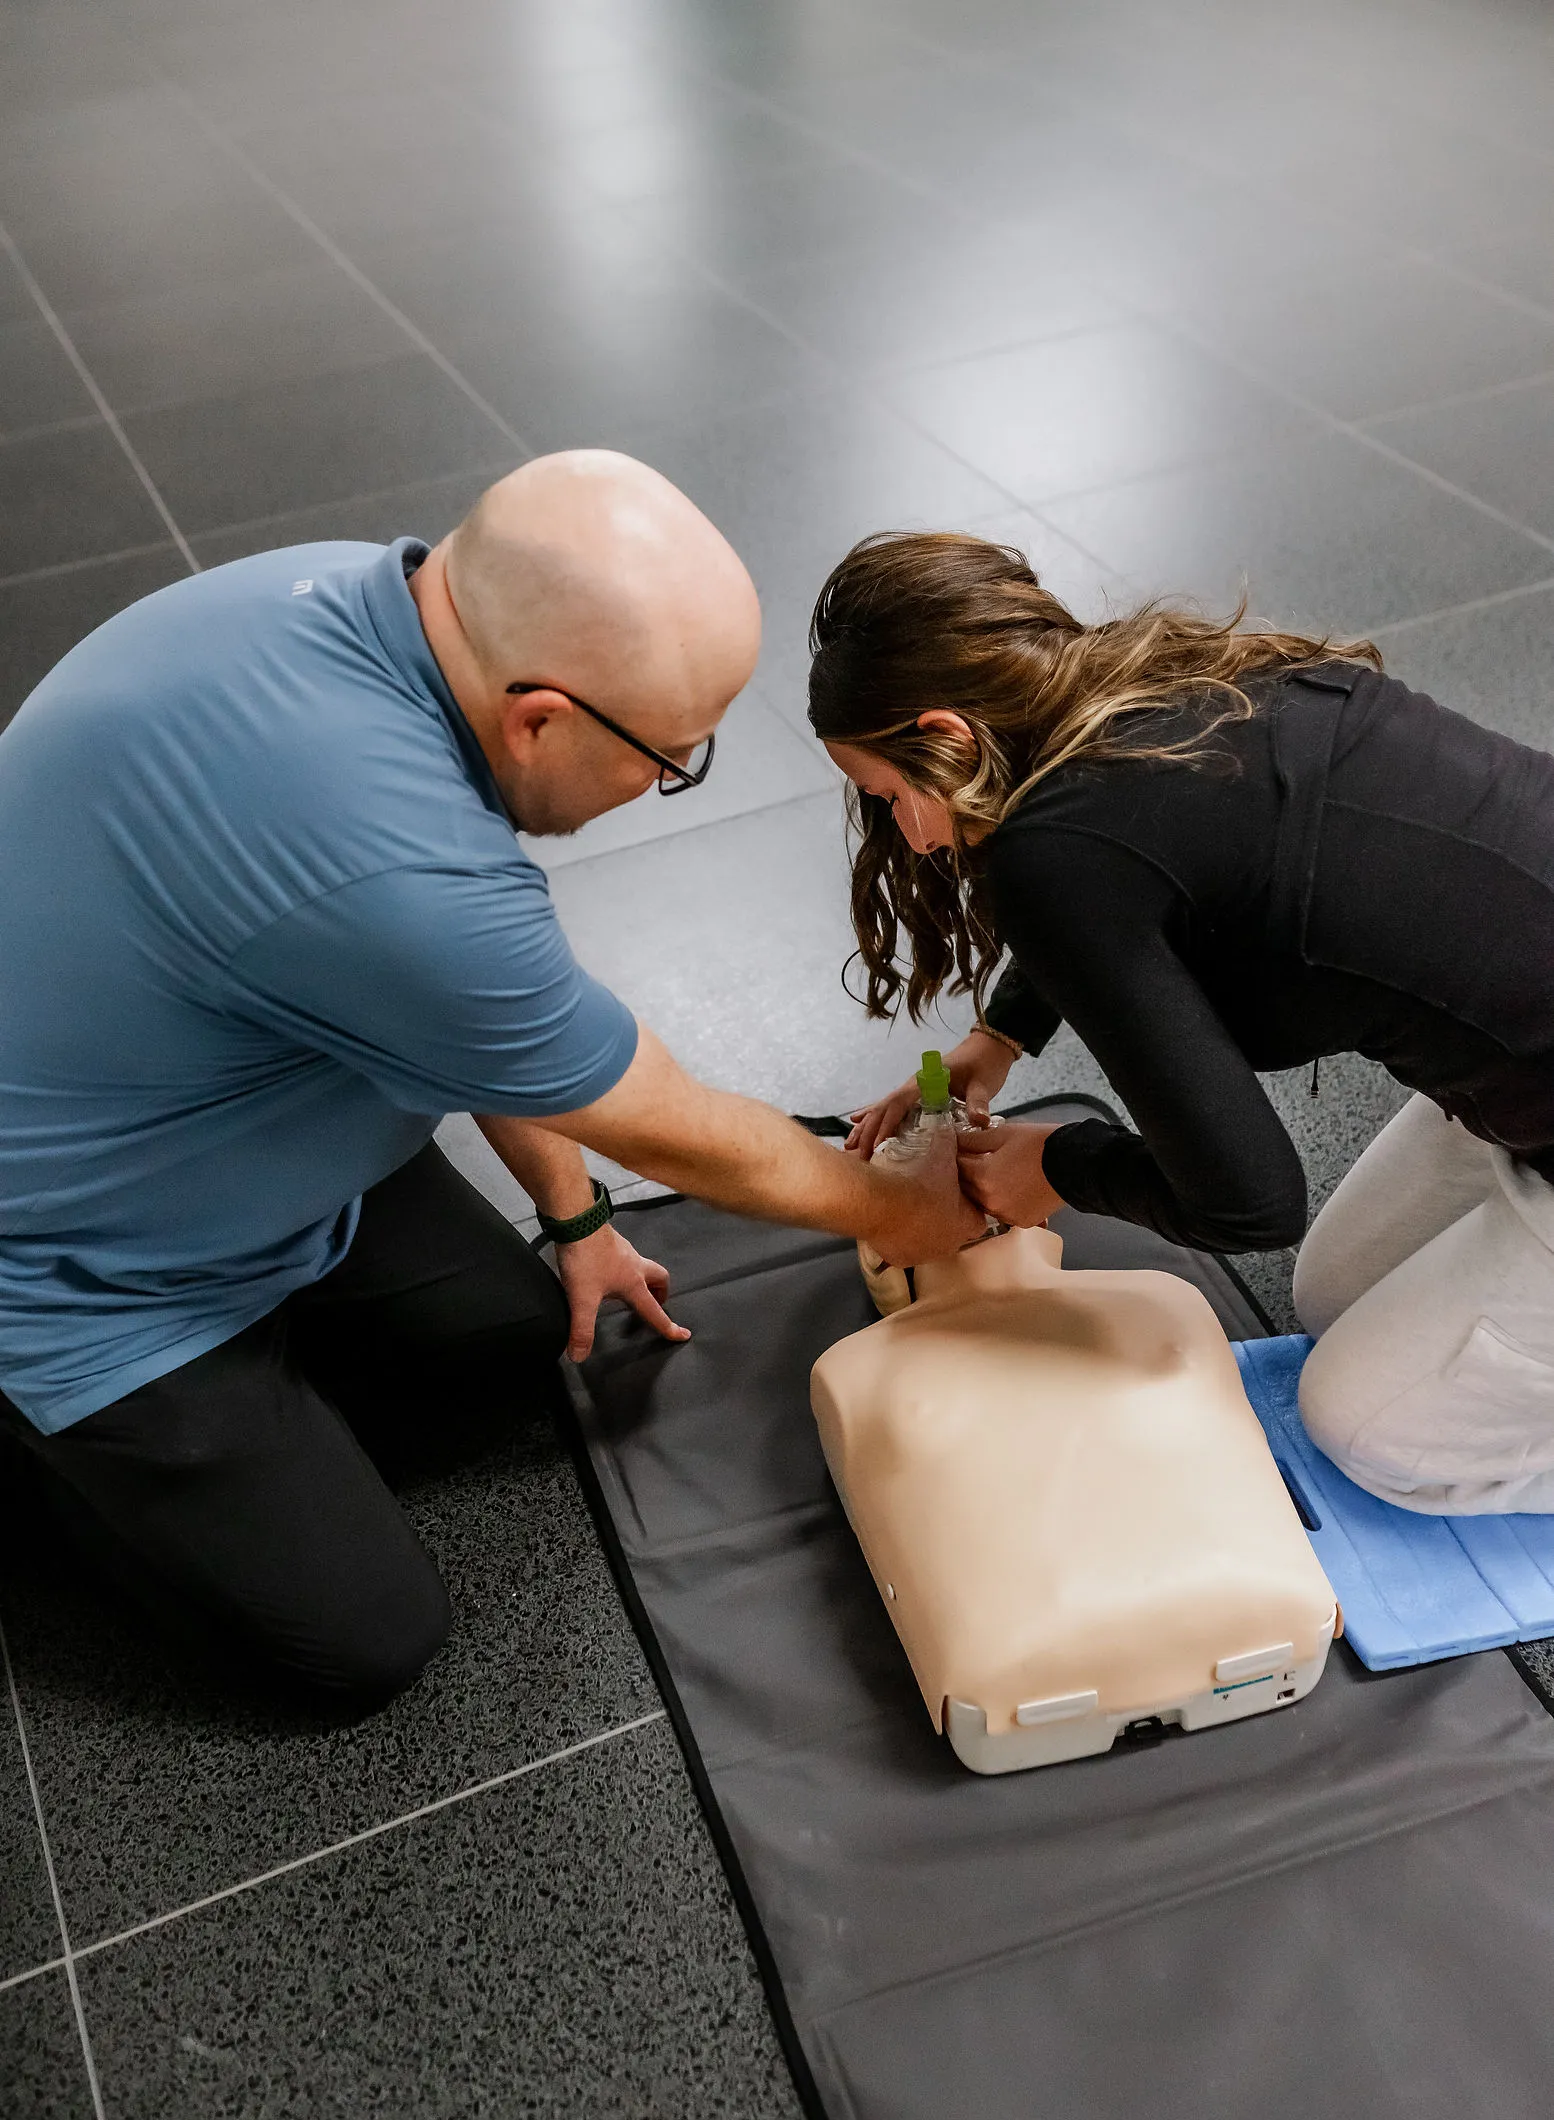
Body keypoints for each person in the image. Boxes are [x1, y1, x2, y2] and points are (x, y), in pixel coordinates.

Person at [0, 454, 979, 1707]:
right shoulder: (380, 856)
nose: (662, 787)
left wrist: (575, 1216)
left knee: (514, 1340)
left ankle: (249, 1426)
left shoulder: (367, 606)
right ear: (539, 715)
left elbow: (460, 1004)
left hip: (222, 1106)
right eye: (668, 760)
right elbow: (679, 1130)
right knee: (356, 1644)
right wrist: (912, 1210)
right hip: (75, 1267)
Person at [813, 529, 1554, 1518]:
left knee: (1370, 1432)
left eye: (888, 795)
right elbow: (1132, 876)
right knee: (1331, 1297)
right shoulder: (1157, 682)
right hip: (1520, 1070)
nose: (905, 830)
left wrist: (1056, 1165)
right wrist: (998, 1038)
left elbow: (1250, 1204)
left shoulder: (1054, 859)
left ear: (951, 738)